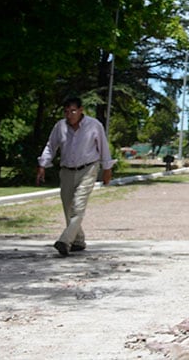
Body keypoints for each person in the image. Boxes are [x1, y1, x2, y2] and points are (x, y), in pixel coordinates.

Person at [36, 95, 114, 256]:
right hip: (66, 171)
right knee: (68, 207)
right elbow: (51, 146)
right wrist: (42, 165)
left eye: (73, 111)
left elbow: (103, 147)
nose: (69, 115)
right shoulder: (60, 127)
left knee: (78, 207)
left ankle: (65, 241)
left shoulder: (94, 125)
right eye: (66, 111)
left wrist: (107, 169)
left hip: (88, 169)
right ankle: (78, 240)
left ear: (80, 110)